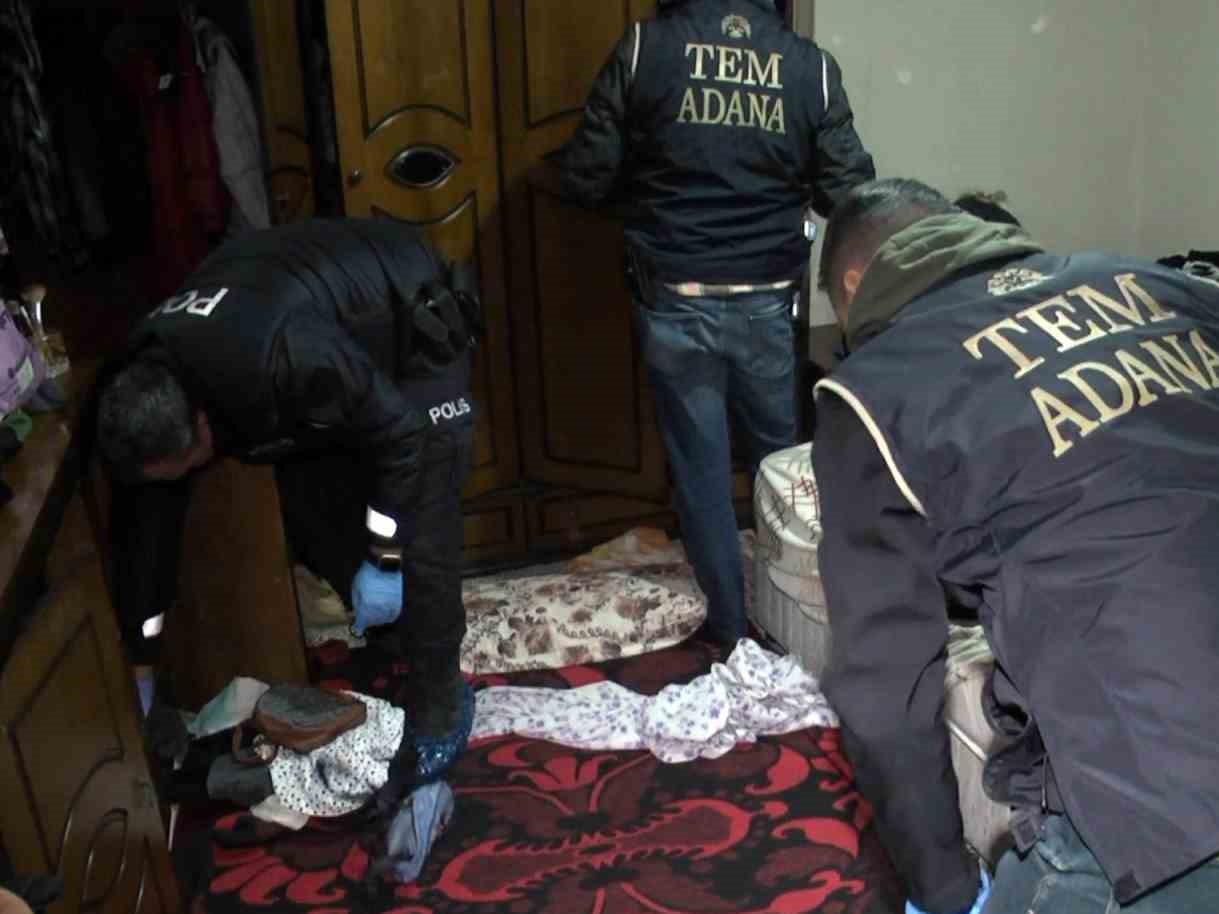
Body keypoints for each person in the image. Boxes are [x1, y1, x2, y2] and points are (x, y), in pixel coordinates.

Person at [810, 179, 1219, 914]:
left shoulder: (871, 391)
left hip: (1189, 836)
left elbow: (882, 697)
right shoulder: (1168, 287)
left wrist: (944, 889)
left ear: (853, 283)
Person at [95, 217, 482, 791]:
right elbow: (147, 535)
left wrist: (384, 559)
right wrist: (141, 664)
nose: (183, 481)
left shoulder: (279, 355)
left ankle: (443, 695)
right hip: (315, 333)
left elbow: (402, 437)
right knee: (312, 511)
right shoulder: (140, 388)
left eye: (189, 466)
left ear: (201, 423)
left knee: (419, 531)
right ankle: (398, 637)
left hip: (406, 317)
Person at [552, 0, 875, 645]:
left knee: (701, 474)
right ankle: (799, 626)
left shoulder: (645, 49)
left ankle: (730, 631)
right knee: (783, 471)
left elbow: (585, 176)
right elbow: (848, 193)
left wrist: (653, 196)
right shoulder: (806, 66)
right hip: (767, 301)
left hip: (675, 293)